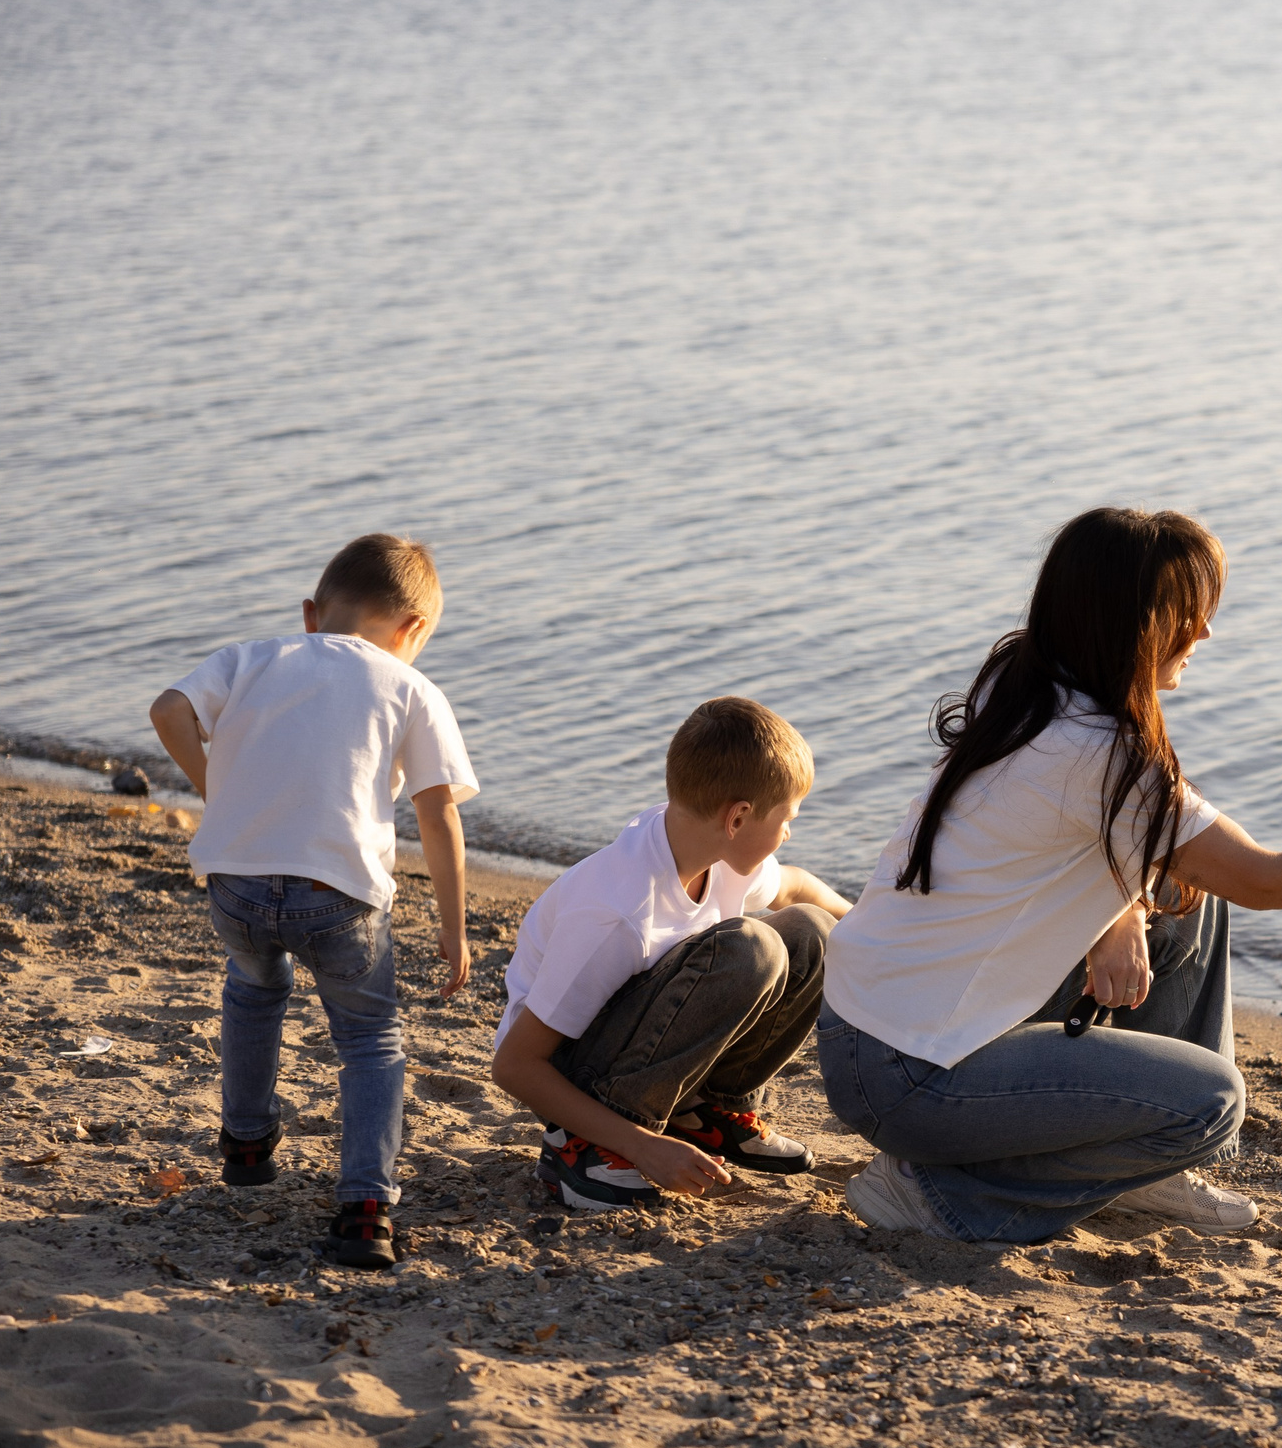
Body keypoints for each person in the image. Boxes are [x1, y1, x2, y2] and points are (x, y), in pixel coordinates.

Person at [817, 507, 1282, 1245]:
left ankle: (1145, 1167)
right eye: (1188, 613)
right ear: (1131, 622)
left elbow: (1066, 838)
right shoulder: (1105, 757)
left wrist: (1120, 913)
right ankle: (939, 1194)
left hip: (863, 1030)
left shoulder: (1026, 676)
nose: (1205, 632)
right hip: (910, 1076)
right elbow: (1266, 879)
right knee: (1211, 1101)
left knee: (1183, 898)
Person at [148, 533, 475, 1270]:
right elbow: (437, 815)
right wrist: (454, 931)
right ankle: (364, 1207)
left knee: (254, 989)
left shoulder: (251, 656)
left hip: (234, 881)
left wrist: (220, 794)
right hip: (339, 893)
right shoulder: (409, 685)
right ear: (414, 629)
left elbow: (167, 711)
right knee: (369, 1038)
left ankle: (247, 1145)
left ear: (310, 613)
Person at [488, 697, 857, 1212]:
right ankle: (584, 1149)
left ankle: (703, 1113)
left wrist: (879, 932)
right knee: (750, 949)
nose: (789, 832)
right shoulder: (617, 913)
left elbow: (798, 891)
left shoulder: (714, 849)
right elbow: (515, 1066)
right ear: (739, 817)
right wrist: (642, 1147)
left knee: (812, 932)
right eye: (788, 818)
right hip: (569, 1073)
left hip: (641, 1039)